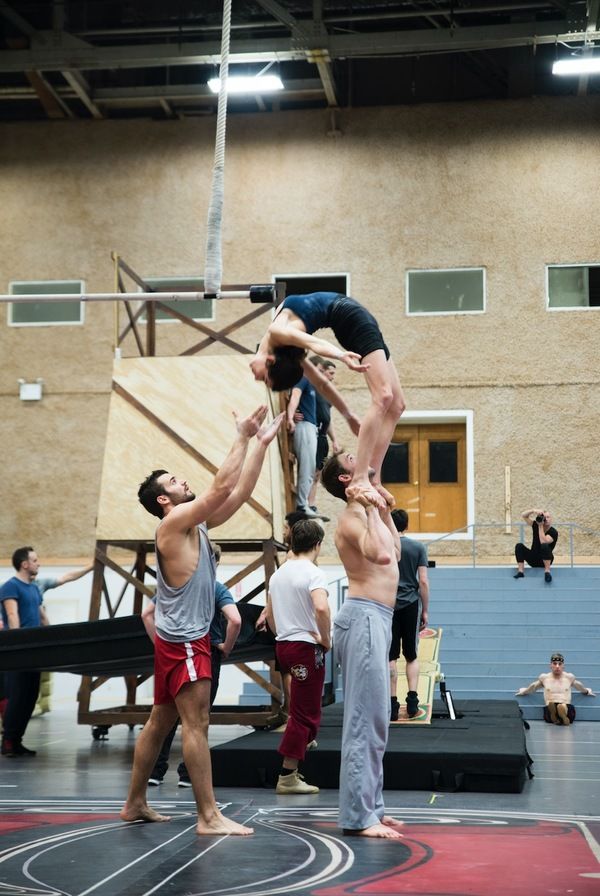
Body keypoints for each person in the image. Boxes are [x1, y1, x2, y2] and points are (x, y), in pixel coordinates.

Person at [120, 405, 283, 836]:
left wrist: (262, 446)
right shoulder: (173, 524)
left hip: (175, 640)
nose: (183, 481)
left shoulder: (196, 526)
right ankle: (208, 816)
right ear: (164, 500)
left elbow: (238, 493)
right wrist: (242, 435)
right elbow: (220, 485)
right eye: (174, 481)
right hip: (188, 641)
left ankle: (134, 802)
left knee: (160, 721)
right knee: (197, 724)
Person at [249, 291, 405, 509]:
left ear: (270, 360)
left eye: (264, 378)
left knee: (394, 404)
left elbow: (314, 342)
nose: (257, 378)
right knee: (387, 398)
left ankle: (362, 477)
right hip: (350, 316)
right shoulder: (288, 352)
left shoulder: (277, 331)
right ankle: (372, 477)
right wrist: (348, 414)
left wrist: (340, 355)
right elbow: (322, 383)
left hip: (348, 314)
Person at [320, 451, 404, 839]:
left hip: (379, 619)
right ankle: (358, 816)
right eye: (353, 458)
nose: (364, 456)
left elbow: (397, 554)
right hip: (364, 615)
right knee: (362, 722)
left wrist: (385, 510)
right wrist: (371, 510)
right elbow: (380, 553)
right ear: (344, 479)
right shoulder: (351, 518)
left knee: (376, 720)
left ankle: (373, 806)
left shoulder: (368, 512)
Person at [144, 543, 242, 787]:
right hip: (203, 653)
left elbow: (146, 614)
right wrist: (226, 647)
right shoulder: (215, 588)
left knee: (165, 716)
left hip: (173, 652)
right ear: (215, 564)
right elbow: (236, 620)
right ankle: (188, 775)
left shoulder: (174, 587)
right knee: (198, 719)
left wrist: (160, 644)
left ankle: (155, 771)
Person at [265, 519, 330, 795]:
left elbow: (269, 616)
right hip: (305, 646)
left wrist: (284, 632)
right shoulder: (313, 573)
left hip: (284, 645)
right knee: (304, 712)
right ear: (317, 545)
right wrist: (325, 639)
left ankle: (305, 740)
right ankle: (288, 775)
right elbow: (322, 608)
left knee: (301, 706)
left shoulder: (278, 574)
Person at [389, 509, 430, 722]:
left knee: (391, 656)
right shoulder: (417, 547)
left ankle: (392, 704)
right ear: (407, 525)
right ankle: (412, 701)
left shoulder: (386, 546)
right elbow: (423, 581)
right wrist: (425, 610)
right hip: (411, 604)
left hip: (388, 605)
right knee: (411, 654)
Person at [515, 652, 596, 724]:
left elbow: (579, 686)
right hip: (550, 707)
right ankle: (558, 716)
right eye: (554, 663)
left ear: (563, 666)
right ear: (550, 665)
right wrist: (524, 691)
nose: (557, 666)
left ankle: (561, 715)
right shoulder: (544, 678)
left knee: (563, 707)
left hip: (566, 706)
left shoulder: (569, 677)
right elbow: (534, 686)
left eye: (560, 664)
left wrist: (586, 691)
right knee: (552, 707)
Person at [306, 356, 340, 513]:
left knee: (317, 473)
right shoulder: (311, 388)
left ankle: (311, 504)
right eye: (330, 373)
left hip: (322, 437)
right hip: (311, 433)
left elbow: (328, 418)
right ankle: (304, 504)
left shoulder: (327, 393)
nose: (332, 377)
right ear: (323, 372)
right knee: (309, 471)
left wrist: (334, 440)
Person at [286, 372, 320, 517]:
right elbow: (295, 396)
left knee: (310, 467)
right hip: (304, 426)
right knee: (307, 466)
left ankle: (303, 503)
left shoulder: (311, 383)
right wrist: (290, 417)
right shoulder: (303, 378)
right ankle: (302, 505)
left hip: (310, 427)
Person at [514, 509, 558, 583]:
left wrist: (540, 526)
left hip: (544, 561)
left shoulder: (553, 532)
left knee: (544, 546)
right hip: (533, 559)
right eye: (544, 517)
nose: (546, 519)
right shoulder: (535, 525)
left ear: (551, 519)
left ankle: (547, 572)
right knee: (519, 546)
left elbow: (543, 541)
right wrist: (533, 510)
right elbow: (524, 515)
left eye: (548, 517)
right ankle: (520, 572)